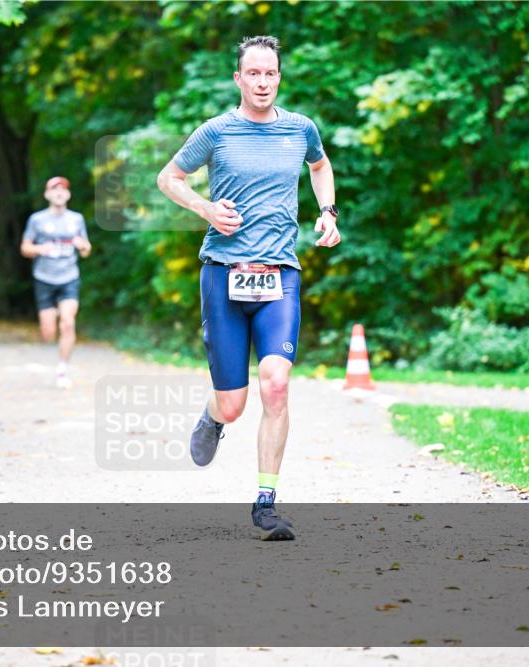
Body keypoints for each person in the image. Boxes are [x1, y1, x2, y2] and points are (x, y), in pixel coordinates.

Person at [156, 35, 341, 540]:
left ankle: (265, 502)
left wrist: (328, 212)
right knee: (234, 404)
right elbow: (168, 178)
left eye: (270, 73)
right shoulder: (216, 131)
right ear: (239, 78)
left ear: (279, 77)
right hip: (223, 273)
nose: (262, 82)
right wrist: (205, 208)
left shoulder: (301, 129)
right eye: (253, 74)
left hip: (280, 273)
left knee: (276, 383)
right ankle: (213, 417)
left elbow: (320, 165)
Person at [20, 176, 92, 389]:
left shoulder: (76, 219)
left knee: (68, 323)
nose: (59, 193)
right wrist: (39, 249)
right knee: (48, 333)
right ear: (47, 195)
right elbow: (25, 248)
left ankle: (62, 369)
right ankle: (55, 315)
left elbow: (86, 250)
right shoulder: (37, 220)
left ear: (68, 195)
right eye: (54, 189)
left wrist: (83, 246)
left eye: (63, 189)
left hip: (69, 277)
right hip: (44, 278)